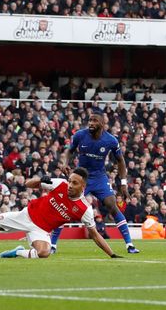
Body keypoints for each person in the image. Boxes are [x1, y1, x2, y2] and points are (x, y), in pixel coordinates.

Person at [0, 168, 122, 259]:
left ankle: (18, 252)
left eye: (75, 183)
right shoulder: (60, 184)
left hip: (41, 230)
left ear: (83, 186)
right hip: (25, 216)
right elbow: (27, 184)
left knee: (44, 253)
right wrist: (40, 181)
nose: (70, 185)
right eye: (70, 181)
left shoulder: (85, 209)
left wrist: (112, 254)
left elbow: (95, 234)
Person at [50, 108, 140, 254]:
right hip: (81, 177)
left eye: (94, 120)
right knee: (65, 207)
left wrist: (123, 183)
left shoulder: (111, 140)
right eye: (90, 120)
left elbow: (121, 161)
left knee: (112, 205)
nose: (90, 123)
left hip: (99, 177)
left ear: (102, 123)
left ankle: (129, 245)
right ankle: (53, 245)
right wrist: (65, 162)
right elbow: (69, 151)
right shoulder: (80, 135)